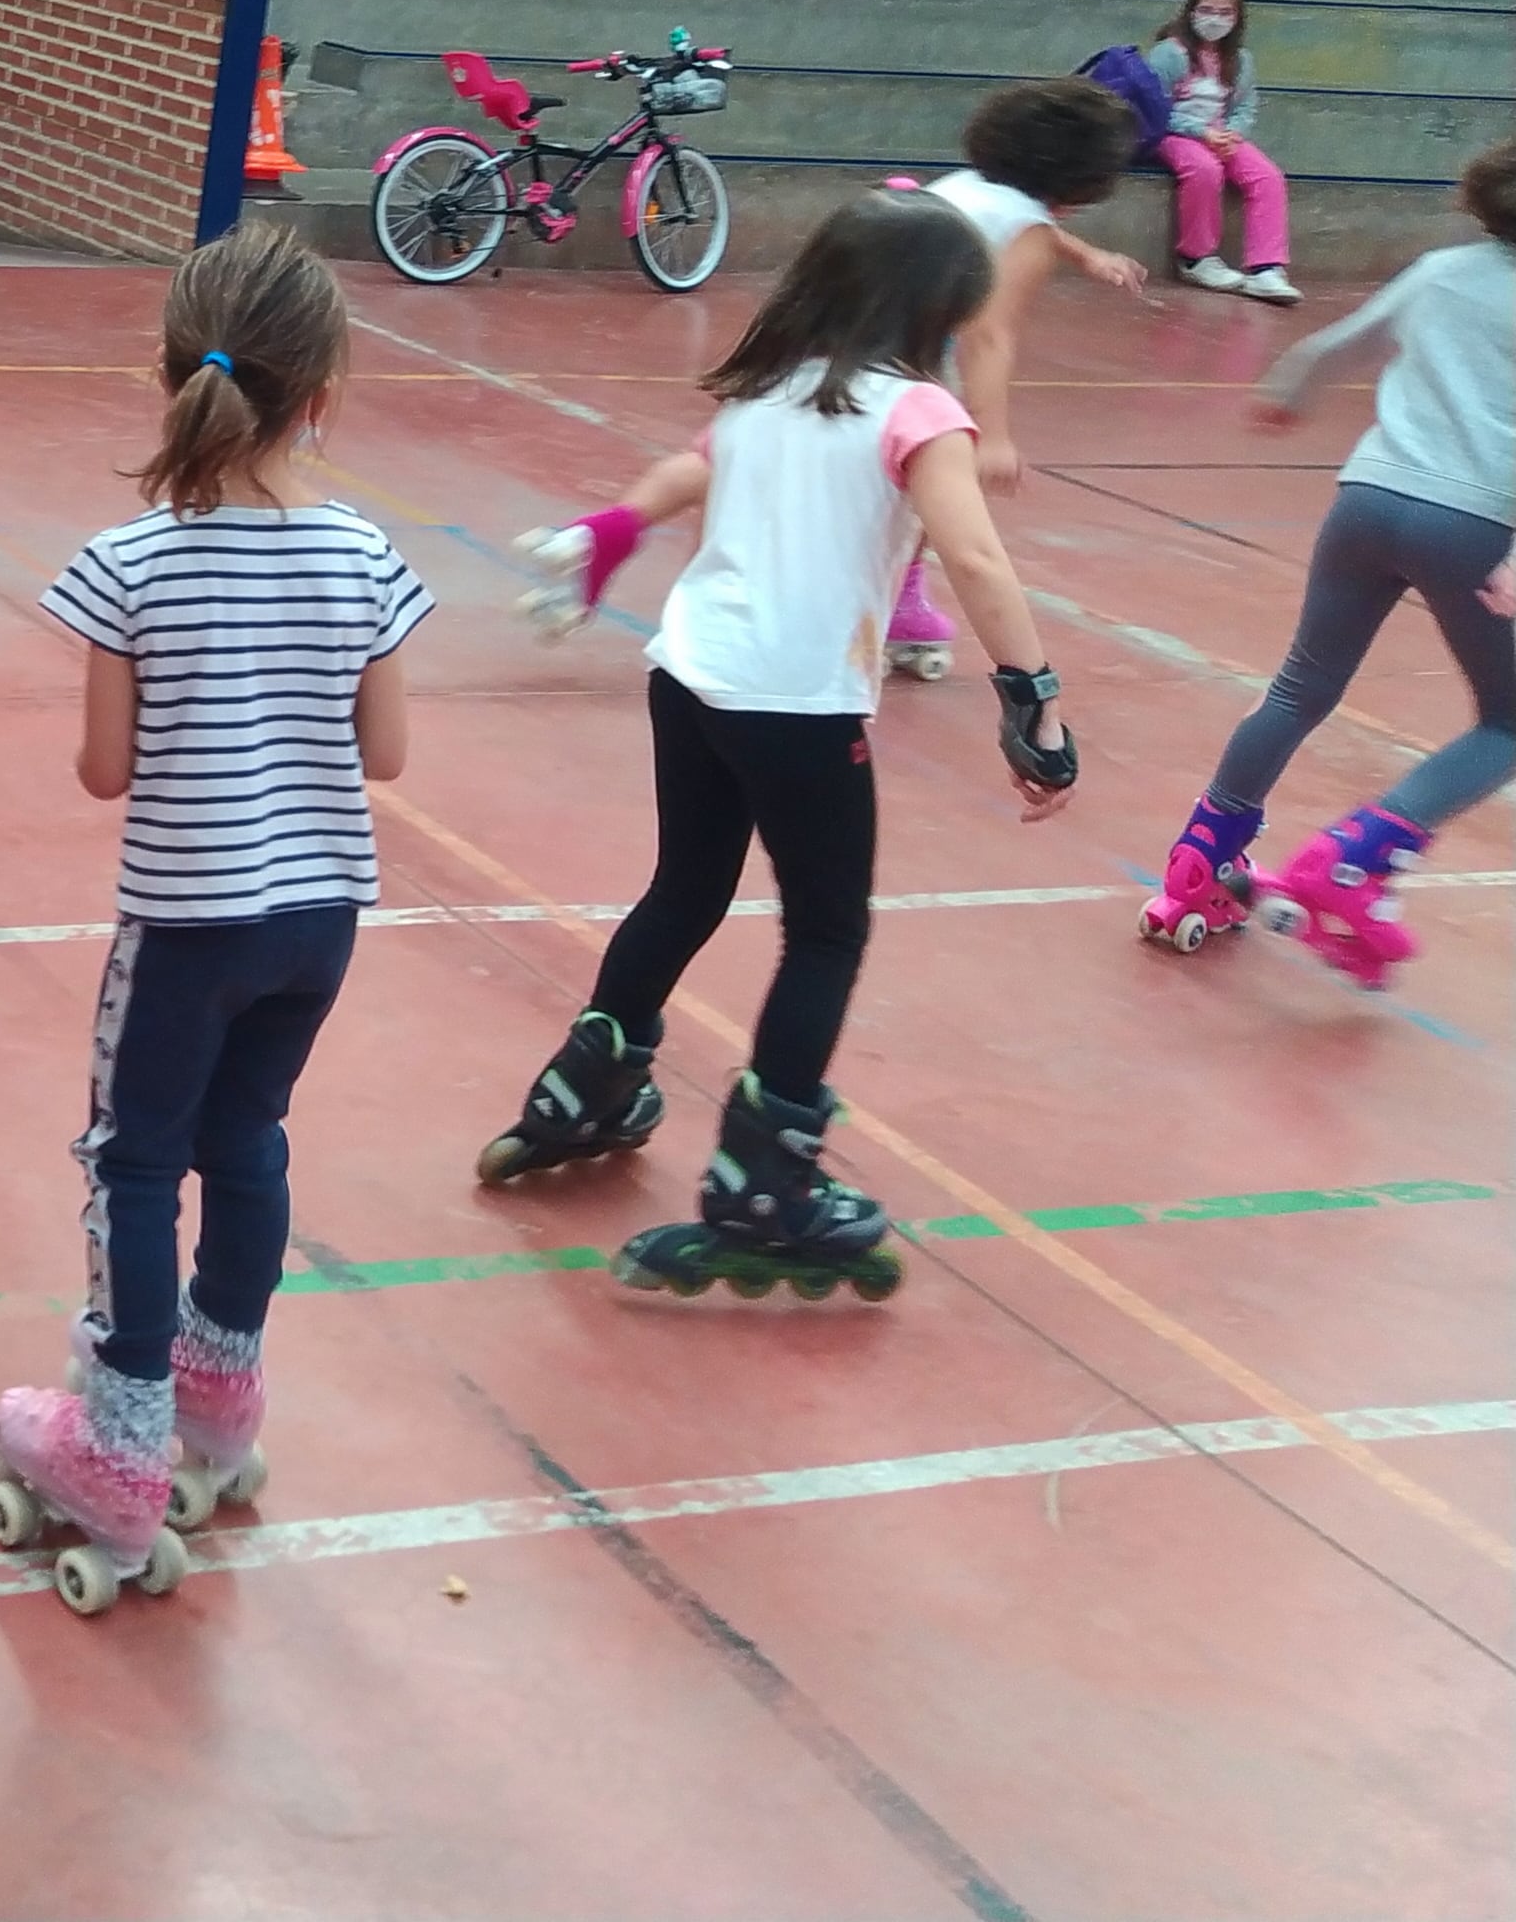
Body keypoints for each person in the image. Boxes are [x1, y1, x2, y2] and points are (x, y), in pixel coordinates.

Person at [489, 190, 1079, 1301]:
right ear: (931, 310)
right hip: (798, 706)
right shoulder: (917, 412)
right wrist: (1033, 701)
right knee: (823, 930)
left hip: (691, 676)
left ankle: (588, 1087)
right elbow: (977, 559)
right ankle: (765, 1186)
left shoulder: (766, 391)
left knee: (685, 889)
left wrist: (606, 530)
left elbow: (683, 474)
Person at [0, 227, 428, 1586]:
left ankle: (118, 1443)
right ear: (325, 397)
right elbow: (388, 755)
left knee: (131, 1161)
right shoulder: (362, 554)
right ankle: (219, 1397)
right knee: (249, 1137)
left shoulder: (132, 564)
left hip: (188, 921)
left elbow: (106, 770)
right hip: (319, 920)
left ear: (171, 377)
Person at [1144, 135, 1514, 985]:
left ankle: (1202, 861)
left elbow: (1333, 350)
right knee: (1506, 720)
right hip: (1473, 524)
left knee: (1300, 688)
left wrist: (1288, 395)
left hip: (1368, 500)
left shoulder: (1443, 270)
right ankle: (1357, 862)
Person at [878, 79, 1150, 678]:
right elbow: (989, 334)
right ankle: (890, 601)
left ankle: (896, 594)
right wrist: (992, 434)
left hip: (862, 337)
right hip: (915, 365)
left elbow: (1035, 228)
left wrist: (1086, 256)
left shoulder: (965, 188)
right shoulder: (1026, 233)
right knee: (925, 487)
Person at [1147, 0, 1301, 305]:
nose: (1214, 19)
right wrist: (1201, 132)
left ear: (1237, 19)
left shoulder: (1241, 60)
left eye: (1224, 12)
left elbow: (1245, 105)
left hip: (1221, 134)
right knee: (1204, 170)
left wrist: (1235, 133)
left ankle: (1267, 268)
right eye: (1206, 10)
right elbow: (1154, 107)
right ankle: (1196, 258)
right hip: (1173, 134)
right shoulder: (1169, 53)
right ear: (1191, 12)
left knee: (1267, 176)